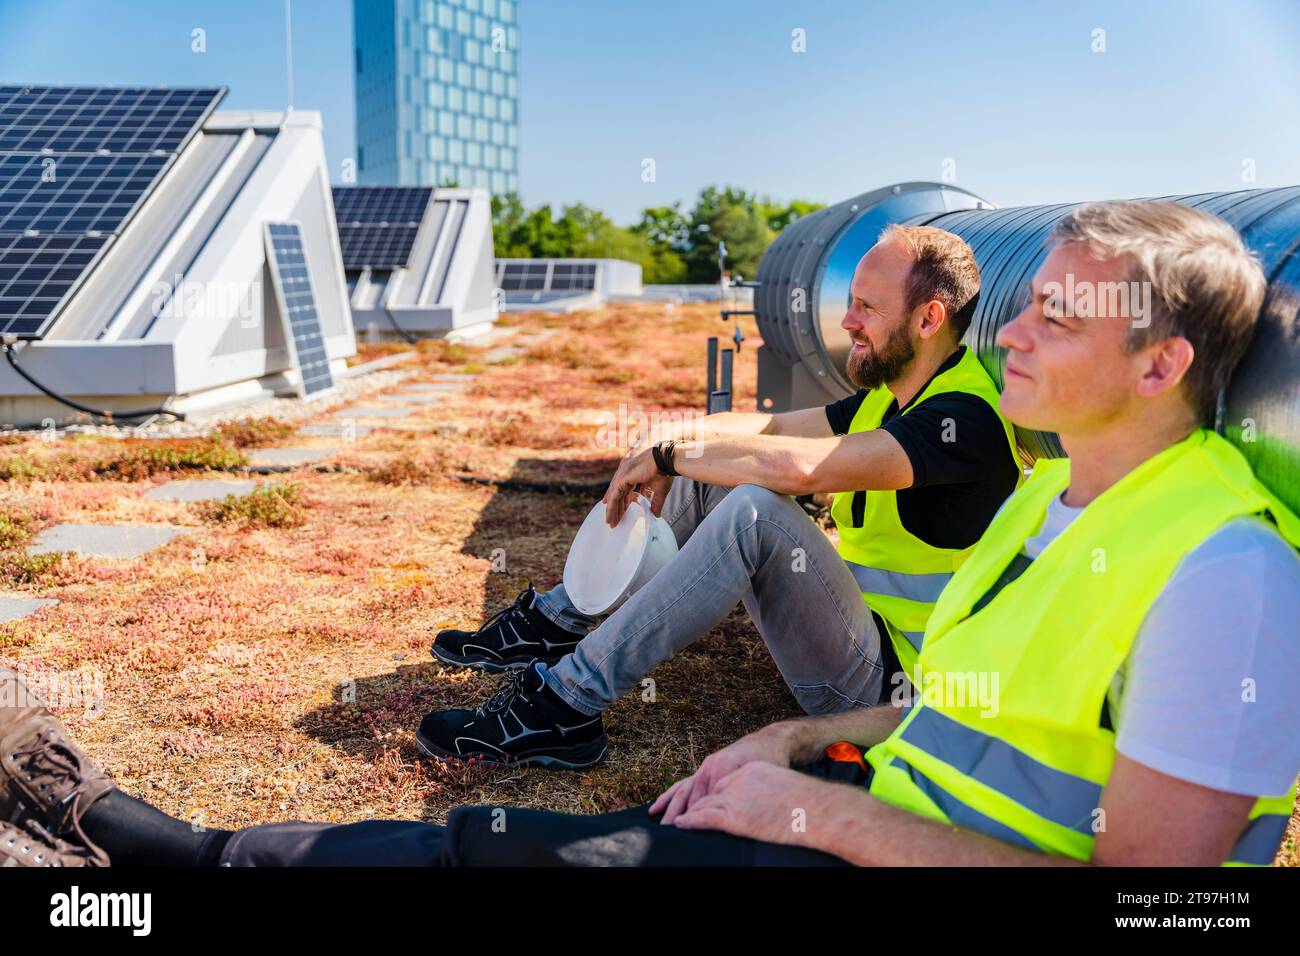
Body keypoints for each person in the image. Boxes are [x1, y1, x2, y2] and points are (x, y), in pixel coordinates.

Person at [4, 200, 1297, 868]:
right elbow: (973, 710)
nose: (1017, 330)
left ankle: (152, 849)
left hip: (868, 835)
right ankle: (158, 839)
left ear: (1158, 363)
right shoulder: (1054, 491)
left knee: (498, 847)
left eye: (1057, 318)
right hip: (877, 783)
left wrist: (820, 819)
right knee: (520, 840)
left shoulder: (1221, 572)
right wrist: (797, 746)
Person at [418, 224, 1022, 768]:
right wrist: (674, 439)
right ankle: (561, 620)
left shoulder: (959, 420)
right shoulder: (888, 396)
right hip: (851, 633)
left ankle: (560, 707)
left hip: (887, 685)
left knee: (753, 507)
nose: (847, 322)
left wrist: (672, 456)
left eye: (866, 307)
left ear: (928, 318)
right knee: (711, 470)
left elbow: (802, 468)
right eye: (850, 303)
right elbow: (776, 429)